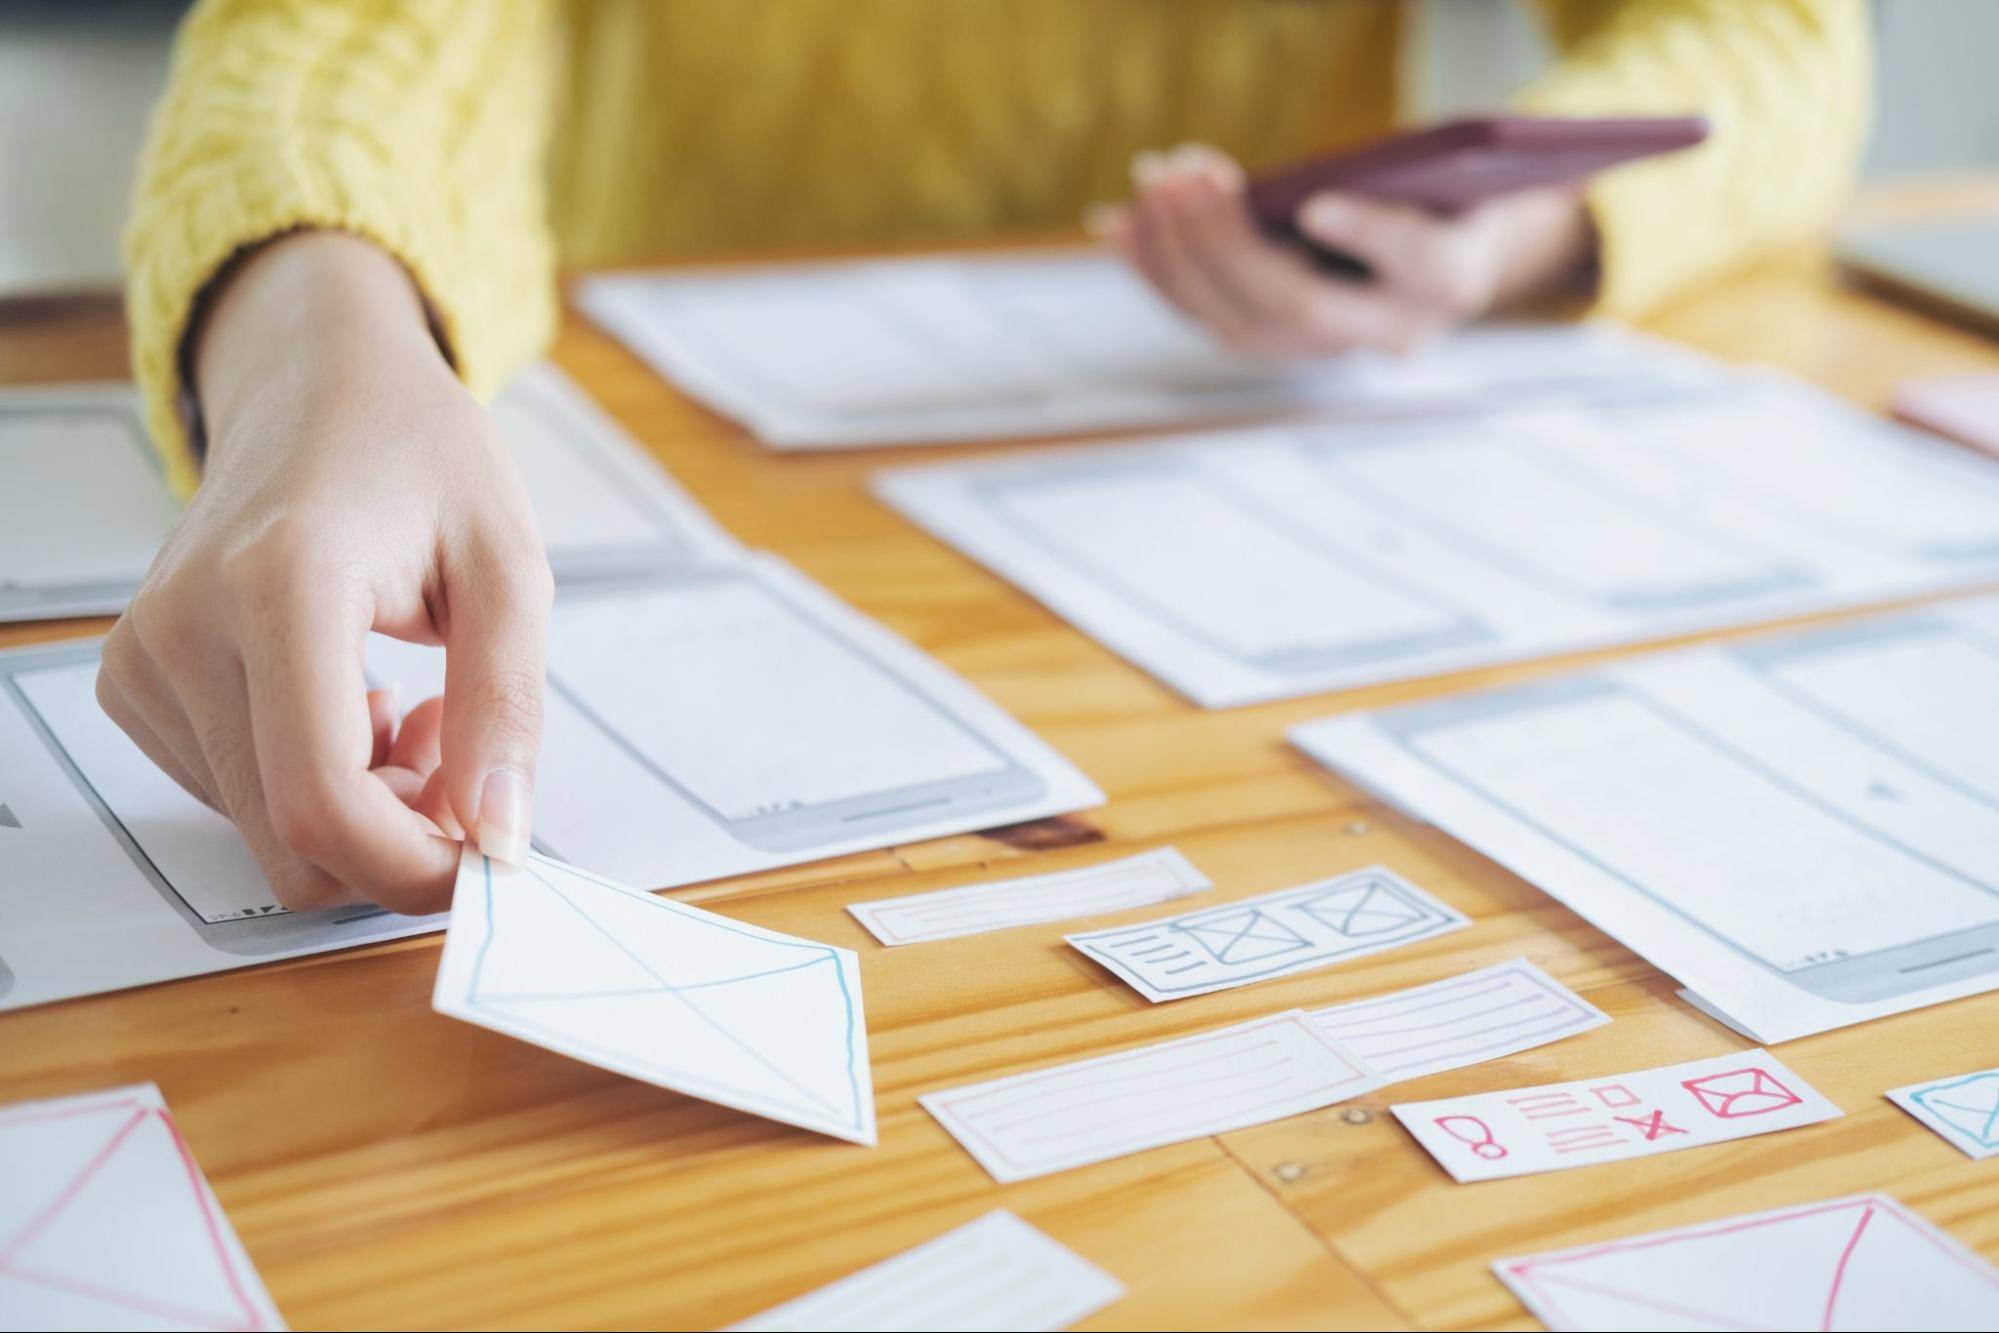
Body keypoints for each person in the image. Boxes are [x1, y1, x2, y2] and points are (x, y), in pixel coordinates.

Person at [112, 0, 1872, 914]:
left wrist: (1505, 229)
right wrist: (321, 316)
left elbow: (1785, 47)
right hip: (680, 426)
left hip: (1226, 468)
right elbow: (349, 37)